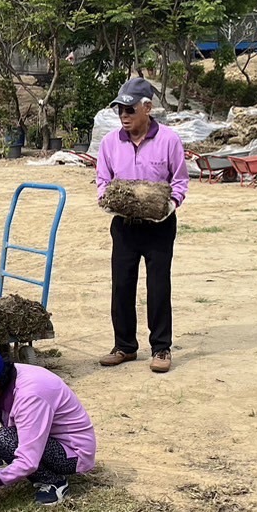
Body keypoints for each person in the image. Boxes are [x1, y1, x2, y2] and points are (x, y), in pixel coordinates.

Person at [95, 77, 189, 374]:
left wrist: (171, 204)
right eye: (119, 110)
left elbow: (180, 179)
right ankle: (124, 346)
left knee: (158, 285)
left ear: (147, 108)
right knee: (122, 284)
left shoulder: (169, 140)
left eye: (129, 109)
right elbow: (102, 180)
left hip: (159, 225)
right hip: (124, 225)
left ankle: (161, 348)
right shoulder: (110, 143)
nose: (124, 115)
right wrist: (106, 200)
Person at [0, 343, 97, 509]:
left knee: (2, 438)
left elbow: (28, 461)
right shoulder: (0, 379)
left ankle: (54, 482)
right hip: (44, 438)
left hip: (71, 453)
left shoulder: (30, 396)